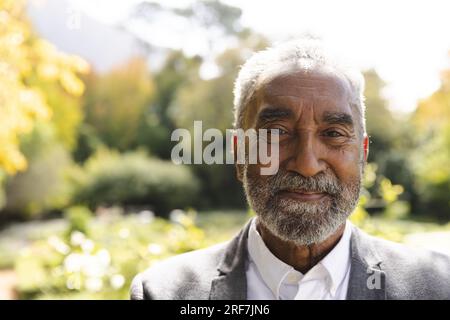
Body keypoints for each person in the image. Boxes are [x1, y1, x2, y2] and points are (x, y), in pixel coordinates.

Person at [130, 38, 450, 300]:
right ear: (240, 153)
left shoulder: (440, 287)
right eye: (278, 133)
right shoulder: (164, 294)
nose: (307, 165)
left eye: (333, 134)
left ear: (362, 154)